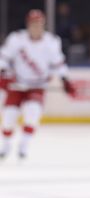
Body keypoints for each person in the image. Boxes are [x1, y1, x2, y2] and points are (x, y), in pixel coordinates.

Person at [0, 9, 75, 159]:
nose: (36, 27)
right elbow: (4, 57)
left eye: (39, 24)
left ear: (43, 24)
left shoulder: (51, 41)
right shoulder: (16, 39)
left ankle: (23, 146)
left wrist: (64, 79)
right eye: (33, 23)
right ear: (28, 24)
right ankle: (6, 145)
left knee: (32, 114)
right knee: (9, 117)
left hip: (38, 86)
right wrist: (3, 72)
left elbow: (58, 63)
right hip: (17, 84)